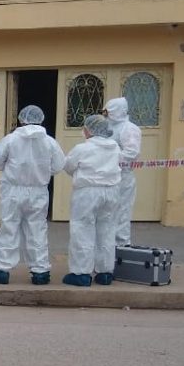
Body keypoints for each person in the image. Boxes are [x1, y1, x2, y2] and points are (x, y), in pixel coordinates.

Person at [0, 104, 66, 285]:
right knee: (37, 230)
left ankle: (2, 270)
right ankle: (40, 272)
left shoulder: (10, 140)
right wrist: (41, 172)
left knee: (9, 228)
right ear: (41, 119)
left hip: (13, 190)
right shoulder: (49, 142)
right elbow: (58, 166)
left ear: (21, 120)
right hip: (38, 191)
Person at [63, 114, 122, 287]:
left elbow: (69, 166)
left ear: (89, 129)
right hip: (111, 191)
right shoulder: (115, 147)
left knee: (82, 229)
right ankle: (105, 272)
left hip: (87, 191)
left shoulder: (82, 148)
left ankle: (81, 273)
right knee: (107, 229)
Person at [105, 97, 142, 245]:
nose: (106, 115)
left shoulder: (129, 129)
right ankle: (106, 247)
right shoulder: (107, 126)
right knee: (106, 212)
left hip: (122, 177)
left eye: (109, 112)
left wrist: (109, 158)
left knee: (122, 212)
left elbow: (132, 152)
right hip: (106, 176)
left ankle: (121, 245)